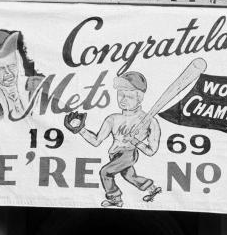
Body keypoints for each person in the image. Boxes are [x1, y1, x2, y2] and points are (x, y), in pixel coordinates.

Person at [64, 71, 162, 207]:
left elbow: (151, 151)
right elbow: (96, 141)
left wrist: (136, 142)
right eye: (121, 94)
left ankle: (115, 198)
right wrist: (81, 130)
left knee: (105, 172)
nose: (123, 99)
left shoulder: (149, 121)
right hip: (114, 155)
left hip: (128, 153)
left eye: (129, 96)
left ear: (139, 97)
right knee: (129, 176)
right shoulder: (112, 119)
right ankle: (152, 189)